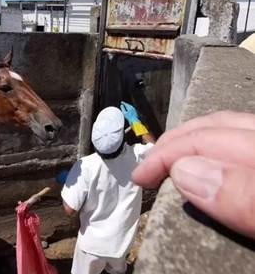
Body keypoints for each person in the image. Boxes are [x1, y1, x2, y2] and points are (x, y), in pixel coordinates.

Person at [60, 102, 155, 274]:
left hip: (92, 247)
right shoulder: (137, 156)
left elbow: (69, 209)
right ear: (121, 138)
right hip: (122, 241)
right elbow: (156, 150)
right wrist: (135, 121)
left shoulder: (86, 166)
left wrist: (68, 182)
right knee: (117, 271)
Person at [132, 110, 255, 240]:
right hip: (126, 226)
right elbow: (151, 146)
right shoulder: (136, 153)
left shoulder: (114, 162)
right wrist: (136, 124)